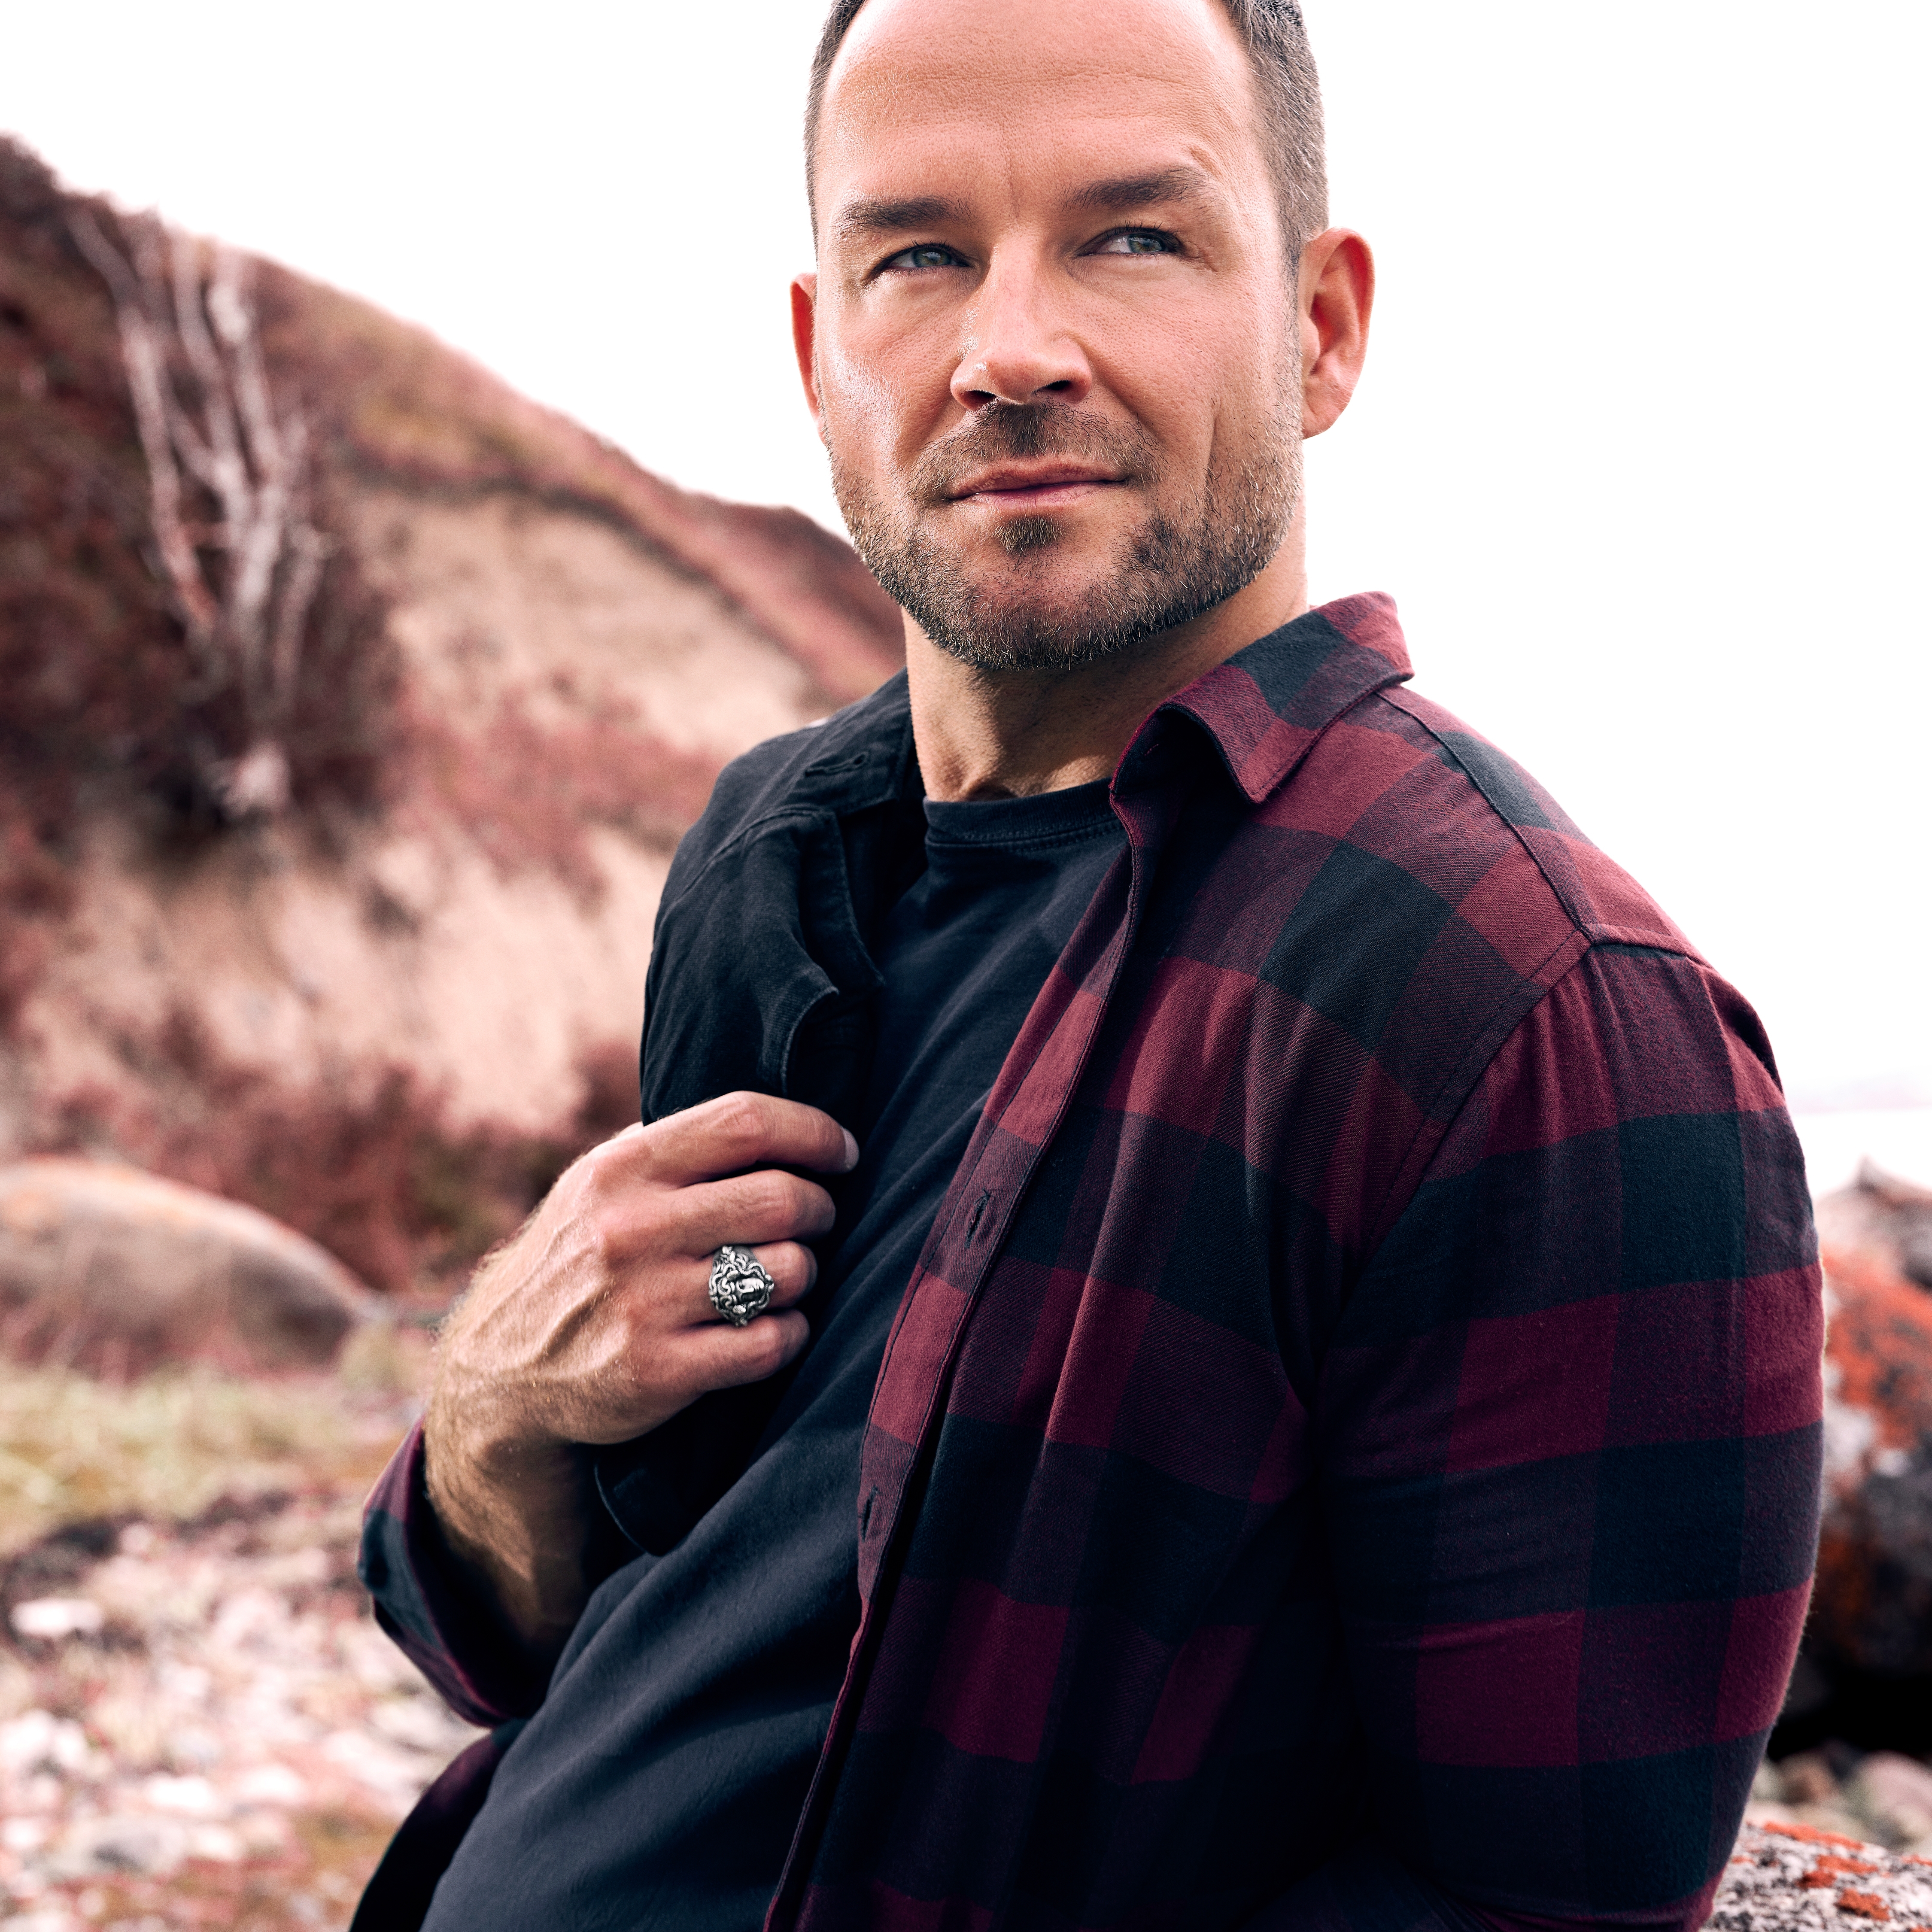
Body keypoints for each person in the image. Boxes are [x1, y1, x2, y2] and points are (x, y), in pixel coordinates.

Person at [355, 0, 1824, 1926]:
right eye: (921, 256)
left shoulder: (1536, 1015)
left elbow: (1538, 1903)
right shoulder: (771, 862)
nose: (1011, 349)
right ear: (819, 351)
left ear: (1322, 325)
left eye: (1132, 236)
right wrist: (493, 1415)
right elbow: (618, 1624)